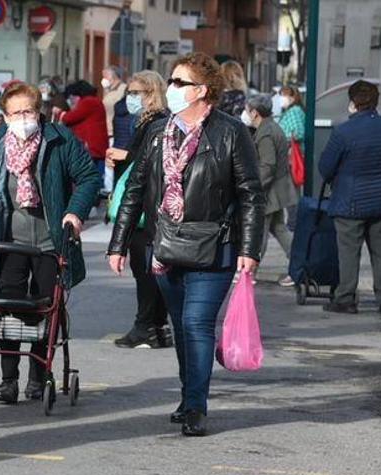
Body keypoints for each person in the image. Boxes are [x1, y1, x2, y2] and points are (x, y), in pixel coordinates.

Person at [107, 52, 265, 437]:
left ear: (202, 91)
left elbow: (250, 194)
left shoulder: (230, 132)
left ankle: (196, 405)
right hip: (165, 245)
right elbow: (135, 188)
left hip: (215, 245)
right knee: (180, 324)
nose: (172, 88)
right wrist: (119, 243)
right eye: (171, 81)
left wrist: (249, 250)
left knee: (196, 323)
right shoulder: (159, 131)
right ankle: (187, 394)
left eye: (179, 83)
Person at [0, 82, 100, 404]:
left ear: (40, 112)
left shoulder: (60, 141)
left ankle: (38, 374)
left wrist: (75, 213)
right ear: (4, 117)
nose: (23, 118)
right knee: (10, 311)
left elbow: (89, 177)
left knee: (46, 308)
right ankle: (9, 379)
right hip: (10, 241)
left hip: (50, 240)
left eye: (29, 111)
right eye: (16, 112)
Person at [319, 80, 381, 314]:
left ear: (353, 102)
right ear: (375, 101)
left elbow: (326, 166)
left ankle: (345, 298)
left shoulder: (344, 131)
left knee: (349, 252)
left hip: (350, 200)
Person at [104, 70, 171, 349]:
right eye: (129, 92)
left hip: (146, 209)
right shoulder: (147, 120)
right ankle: (156, 326)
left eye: (135, 93)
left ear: (151, 93)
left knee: (144, 271)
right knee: (149, 270)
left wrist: (124, 157)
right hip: (148, 206)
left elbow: (146, 164)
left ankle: (145, 326)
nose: (130, 98)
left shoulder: (155, 121)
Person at [242, 94, 296, 286]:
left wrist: (253, 187)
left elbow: (267, 166)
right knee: (279, 229)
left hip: (268, 193)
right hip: (277, 190)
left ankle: (250, 271)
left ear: (255, 112)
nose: (246, 114)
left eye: (248, 110)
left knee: (259, 232)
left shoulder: (265, 133)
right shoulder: (272, 127)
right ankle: (299, 267)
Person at [57, 80, 109, 192]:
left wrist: (60, 113)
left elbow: (70, 118)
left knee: (90, 176)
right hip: (95, 146)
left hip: (91, 146)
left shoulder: (88, 102)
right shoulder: (94, 101)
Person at [101, 66, 127, 138]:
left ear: (112, 76)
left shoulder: (123, 89)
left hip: (115, 131)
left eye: (105, 76)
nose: (103, 79)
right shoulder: (109, 91)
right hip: (108, 131)